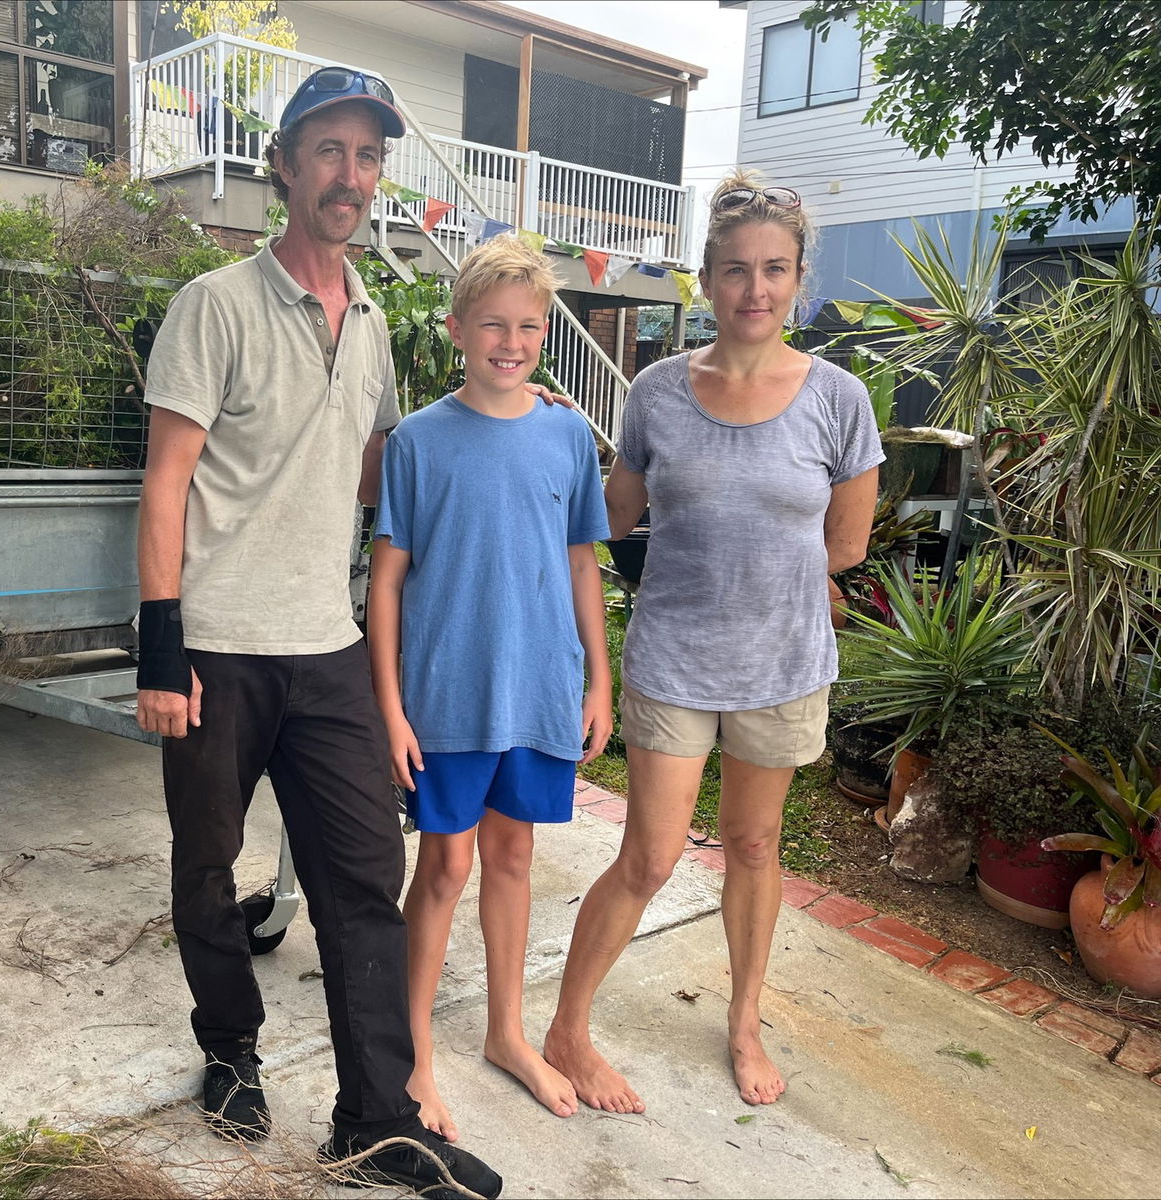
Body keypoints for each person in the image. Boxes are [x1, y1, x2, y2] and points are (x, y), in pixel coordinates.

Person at [133, 66, 502, 1199]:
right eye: (331, 151)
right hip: (216, 646)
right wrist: (160, 644)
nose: (353, 175)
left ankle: (376, 1120)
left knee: (359, 880)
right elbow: (164, 485)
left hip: (327, 643)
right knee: (207, 869)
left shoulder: (379, 324)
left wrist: (496, 430)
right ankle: (231, 1054)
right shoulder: (217, 303)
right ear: (284, 165)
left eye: (370, 156)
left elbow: (373, 472)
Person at [543, 170, 882, 1113]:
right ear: (706, 278)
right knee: (649, 858)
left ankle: (743, 1023)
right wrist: (559, 440)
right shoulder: (656, 392)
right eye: (736, 270)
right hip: (676, 658)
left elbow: (847, 544)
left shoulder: (839, 399)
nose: (755, 289)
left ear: (799, 277)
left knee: (754, 844)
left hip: (782, 661)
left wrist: (772, 575)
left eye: (775, 269)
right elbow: (614, 515)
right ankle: (567, 1031)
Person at [368, 237, 613, 1143]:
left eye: (529, 327)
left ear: (545, 333)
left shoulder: (565, 434)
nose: (511, 343)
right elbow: (386, 580)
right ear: (457, 329)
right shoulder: (420, 442)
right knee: (446, 865)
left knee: (513, 860)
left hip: (540, 690)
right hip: (446, 697)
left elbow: (581, 560)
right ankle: (413, 1057)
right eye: (493, 325)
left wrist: (599, 678)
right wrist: (391, 707)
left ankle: (508, 1033)